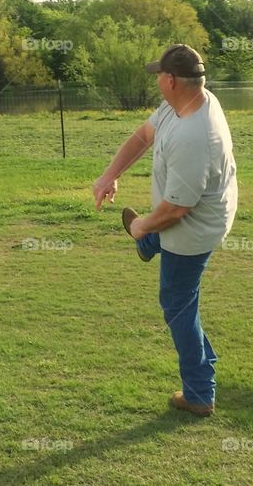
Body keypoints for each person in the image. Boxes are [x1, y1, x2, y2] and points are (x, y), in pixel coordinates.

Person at [92, 44, 238, 417]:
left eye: (159, 74)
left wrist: (141, 225)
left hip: (193, 230)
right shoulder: (184, 104)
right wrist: (110, 174)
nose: (156, 79)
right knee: (166, 260)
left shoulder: (195, 136)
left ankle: (199, 394)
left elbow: (176, 209)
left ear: (171, 81)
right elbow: (144, 134)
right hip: (193, 212)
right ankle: (149, 242)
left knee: (177, 305)